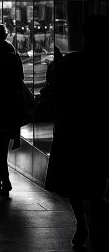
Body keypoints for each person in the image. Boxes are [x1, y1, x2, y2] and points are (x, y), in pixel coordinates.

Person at [45, 15, 109, 249]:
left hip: (72, 128)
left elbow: (56, 91)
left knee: (74, 179)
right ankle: (92, 223)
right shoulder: (106, 63)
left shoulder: (71, 62)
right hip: (98, 128)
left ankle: (81, 222)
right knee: (96, 178)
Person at [0, 25, 24, 197]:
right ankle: (2, 175)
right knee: (3, 144)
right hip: (9, 104)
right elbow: (19, 79)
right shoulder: (12, 53)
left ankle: (2, 175)